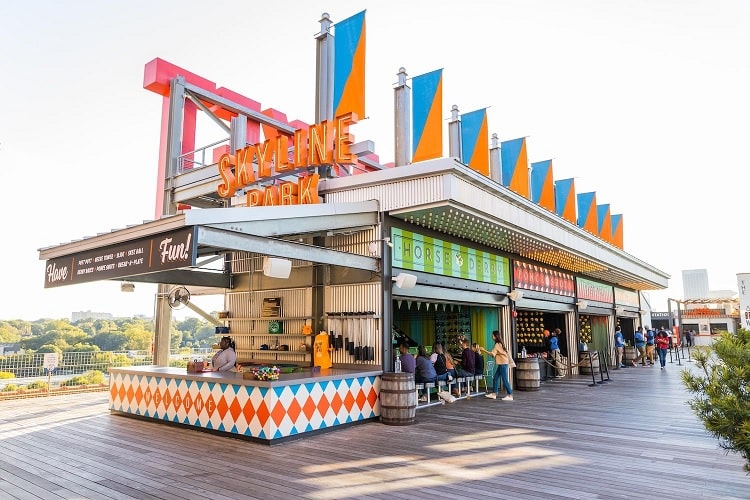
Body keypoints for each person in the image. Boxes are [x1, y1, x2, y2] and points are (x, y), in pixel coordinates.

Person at [480, 330, 513, 401]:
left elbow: (492, 354)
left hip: (502, 364)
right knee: (495, 378)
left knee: (504, 380)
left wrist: (483, 350)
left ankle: (510, 395)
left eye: (492, 335)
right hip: (503, 364)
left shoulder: (497, 344)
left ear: (495, 336)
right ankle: (494, 394)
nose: (492, 336)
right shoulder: (501, 343)